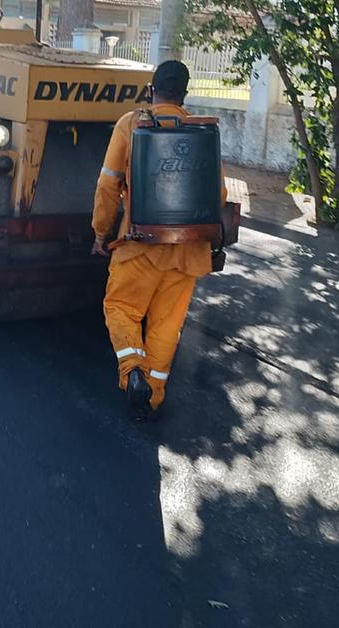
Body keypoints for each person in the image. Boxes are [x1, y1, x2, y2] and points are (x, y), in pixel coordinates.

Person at [91, 60, 226, 421]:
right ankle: (152, 396)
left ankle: (132, 370)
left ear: (151, 91)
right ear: (185, 93)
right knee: (167, 325)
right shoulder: (201, 131)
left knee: (120, 308)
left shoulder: (131, 124)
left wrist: (101, 233)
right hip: (189, 252)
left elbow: (108, 185)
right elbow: (219, 194)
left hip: (141, 246)